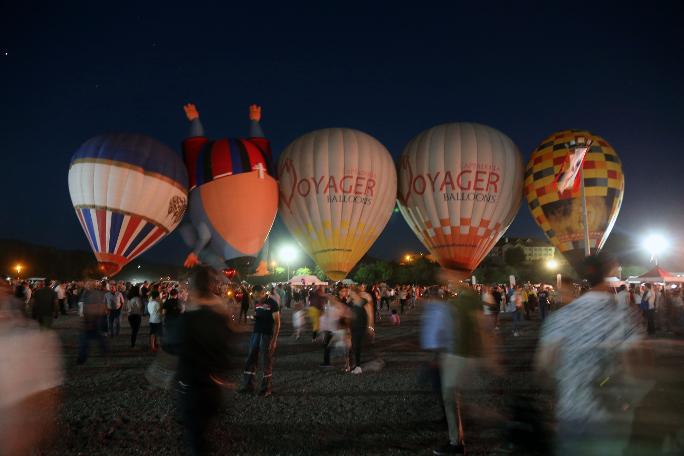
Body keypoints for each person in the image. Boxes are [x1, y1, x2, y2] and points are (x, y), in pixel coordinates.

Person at [536, 254, 646, 455]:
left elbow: (544, 364)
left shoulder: (561, 317)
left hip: (570, 410)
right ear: (610, 273)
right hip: (608, 411)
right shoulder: (622, 314)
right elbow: (633, 363)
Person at [426, 271, 496, 456]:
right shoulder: (465, 298)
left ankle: (456, 442)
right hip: (459, 354)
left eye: (447, 276)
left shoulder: (464, 299)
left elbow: (482, 324)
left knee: (450, 398)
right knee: (454, 398)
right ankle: (458, 439)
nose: (445, 281)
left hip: (459, 355)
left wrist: (490, 354)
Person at [177, 265, 235, 456]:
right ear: (212, 286)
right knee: (202, 433)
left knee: (196, 438)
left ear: (192, 288)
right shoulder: (220, 318)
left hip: (191, 387)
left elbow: (172, 349)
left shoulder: (186, 320)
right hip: (213, 387)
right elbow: (229, 352)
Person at [238, 284, 281, 396]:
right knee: (251, 358)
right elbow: (259, 315)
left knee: (266, 360)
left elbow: (277, 323)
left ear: (263, 292)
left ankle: (266, 388)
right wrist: (254, 318)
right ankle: (248, 386)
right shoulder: (257, 303)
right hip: (256, 333)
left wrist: (274, 340)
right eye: (254, 296)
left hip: (267, 335)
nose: (256, 298)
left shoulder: (273, 303)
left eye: (257, 295)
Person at [77, 281, 109, 365]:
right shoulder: (86, 294)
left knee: (88, 340)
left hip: (94, 321)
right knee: (86, 340)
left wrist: (92, 317)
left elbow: (100, 308)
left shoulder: (95, 294)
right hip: (89, 321)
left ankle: (83, 358)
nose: (86, 286)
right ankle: (82, 358)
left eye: (88, 285)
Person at [347, 285, 374, 374]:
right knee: (353, 345)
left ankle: (358, 366)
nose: (348, 293)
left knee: (356, 345)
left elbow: (370, 315)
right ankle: (354, 364)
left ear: (354, 292)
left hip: (361, 326)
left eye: (349, 291)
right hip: (352, 326)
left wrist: (370, 327)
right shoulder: (351, 302)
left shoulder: (364, 302)